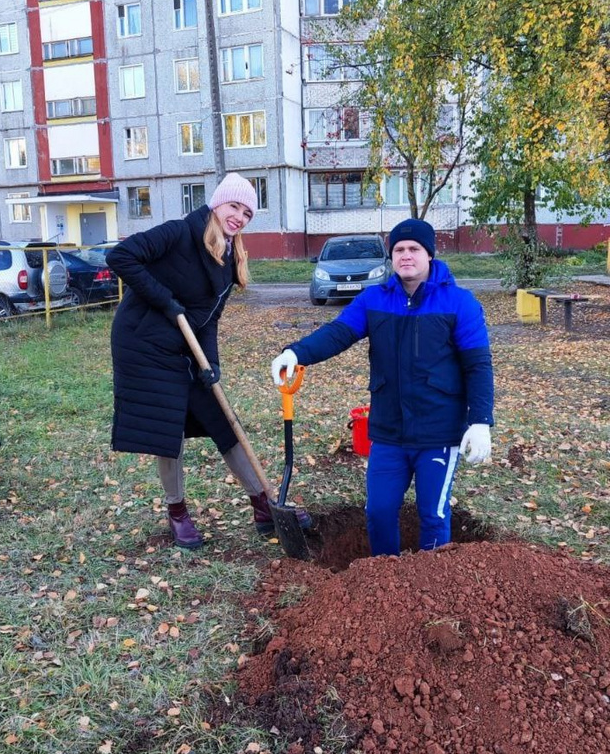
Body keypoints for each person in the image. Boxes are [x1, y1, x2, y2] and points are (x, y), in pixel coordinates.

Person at [272, 219, 494, 557]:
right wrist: (296, 352)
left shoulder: (459, 303)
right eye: (399, 250)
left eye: (414, 249)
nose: (406, 255)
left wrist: (480, 421)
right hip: (389, 430)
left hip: (438, 431)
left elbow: (478, 365)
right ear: (391, 256)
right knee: (378, 512)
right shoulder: (374, 299)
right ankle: (382, 580)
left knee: (432, 514)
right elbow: (339, 333)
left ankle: (432, 583)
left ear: (429, 255)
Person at [107, 172, 306, 549]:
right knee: (170, 432)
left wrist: (211, 366)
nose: (240, 217)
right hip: (144, 344)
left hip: (186, 345)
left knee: (220, 416)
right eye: (235, 206)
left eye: (248, 212)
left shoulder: (230, 255)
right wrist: (164, 299)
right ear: (217, 203)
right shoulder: (178, 233)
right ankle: (177, 512)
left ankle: (263, 503)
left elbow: (210, 317)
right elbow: (121, 257)